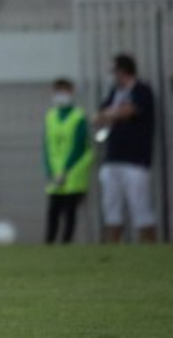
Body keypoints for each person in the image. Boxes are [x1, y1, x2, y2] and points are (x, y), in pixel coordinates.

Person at [94, 54, 158, 243]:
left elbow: (129, 111)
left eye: (115, 71)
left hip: (135, 159)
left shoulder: (142, 90)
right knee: (111, 206)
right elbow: (99, 116)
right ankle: (113, 246)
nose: (113, 76)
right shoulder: (114, 93)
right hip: (113, 157)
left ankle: (149, 246)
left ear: (123, 71)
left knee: (140, 206)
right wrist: (111, 114)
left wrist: (111, 114)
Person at [43, 79, 92, 245]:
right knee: (53, 210)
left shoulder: (78, 116)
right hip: (55, 170)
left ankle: (66, 243)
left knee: (70, 210)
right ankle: (49, 242)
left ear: (71, 93)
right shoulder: (50, 116)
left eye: (64, 92)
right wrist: (49, 169)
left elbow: (79, 146)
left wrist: (66, 169)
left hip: (74, 170)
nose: (60, 96)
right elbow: (47, 145)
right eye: (57, 92)